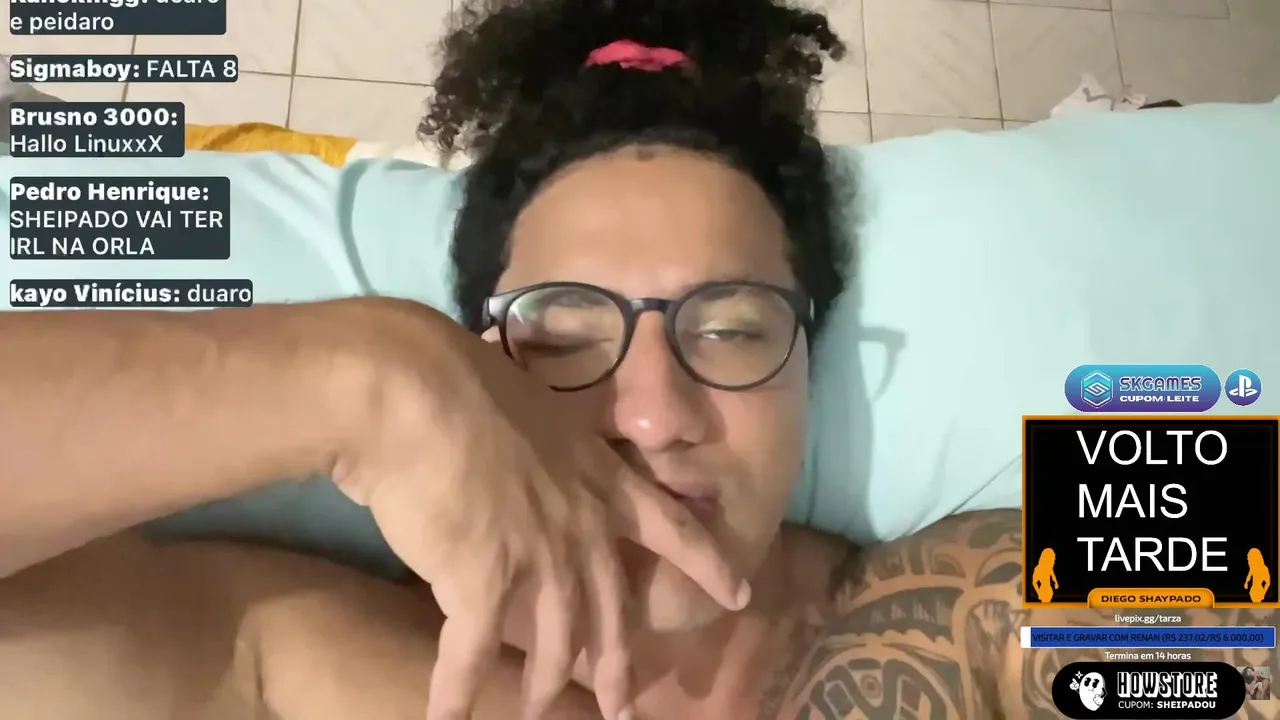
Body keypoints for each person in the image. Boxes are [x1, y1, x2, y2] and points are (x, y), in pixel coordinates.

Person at [2, 2, 1274, 720]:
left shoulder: (968, 589)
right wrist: (362, 376)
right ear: (479, 373)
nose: (653, 415)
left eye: (729, 328)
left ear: (810, 366)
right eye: (563, 333)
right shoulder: (298, 651)